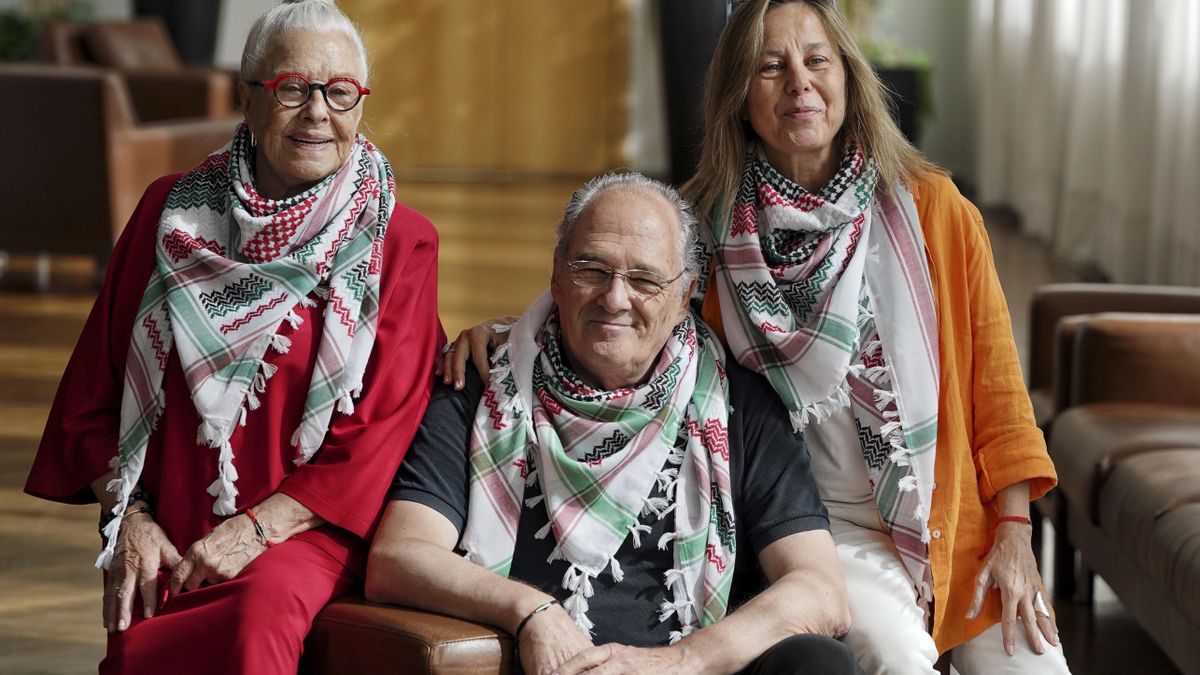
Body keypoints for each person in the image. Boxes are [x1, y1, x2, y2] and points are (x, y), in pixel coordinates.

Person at [441, 2, 1071, 672]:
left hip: (952, 516)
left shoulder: (936, 212)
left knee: (1031, 664)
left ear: (849, 80)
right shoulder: (707, 229)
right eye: (771, 67)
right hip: (825, 526)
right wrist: (514, 331)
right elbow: (621, 291)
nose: (799, 82)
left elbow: (1000, 390)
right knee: (893, 654)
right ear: (741, 98)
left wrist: (1012, 531)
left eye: (816, 60)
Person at [24, 1, 443, 672]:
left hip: (308, 535)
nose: (316, 112)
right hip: (173, 528)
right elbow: (89, 402)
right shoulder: (170, 217)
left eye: (339, 92)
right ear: (247, 97)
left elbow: (381, 433)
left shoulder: (398, 241)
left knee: (257, 619)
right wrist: (131, 516)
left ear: (361, 104)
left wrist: (254, 530)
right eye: (290, 87)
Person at [369, 172, 860, 675]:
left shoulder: (740, 402)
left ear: (684, 293)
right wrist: (530, 611)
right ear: (556, 273)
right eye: (592, 269)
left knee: (820, 663)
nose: (615, 299)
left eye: (645, 279)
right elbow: (400, 555)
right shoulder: (478, 380)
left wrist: (678, 662)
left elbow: (819, 590)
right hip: (536, 667)